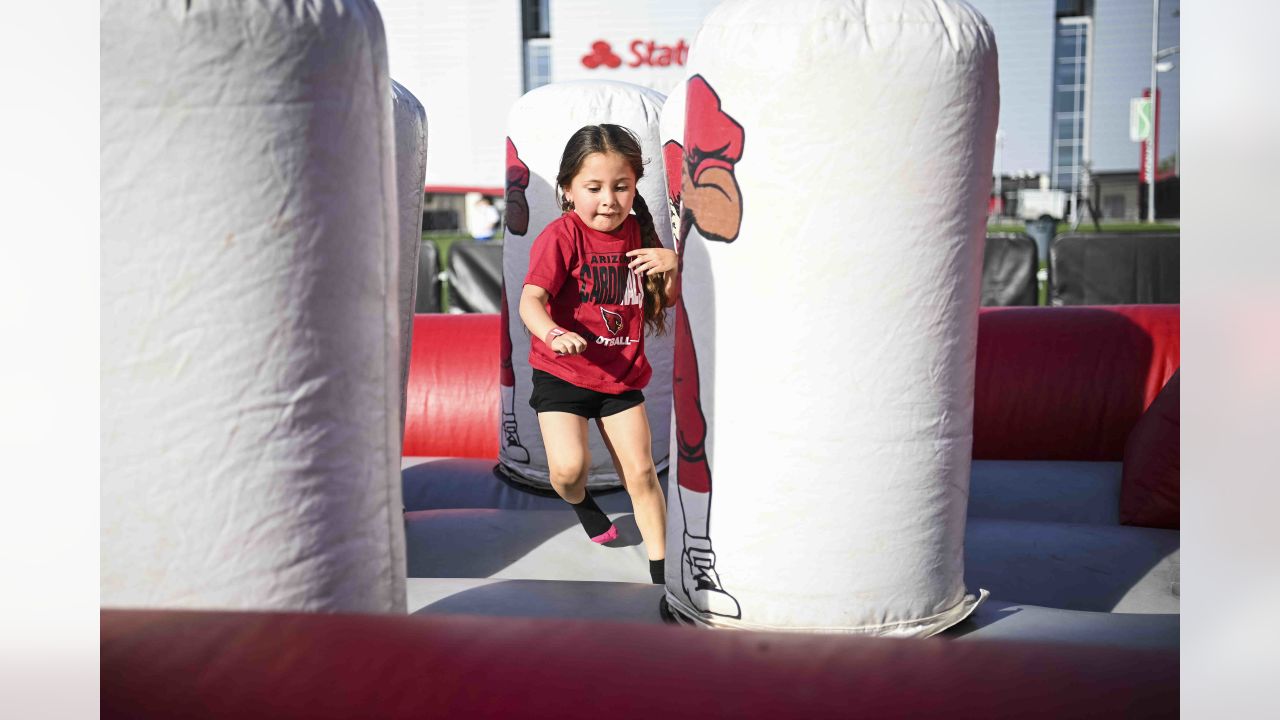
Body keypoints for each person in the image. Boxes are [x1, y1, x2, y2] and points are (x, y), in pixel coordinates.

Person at [519, 124, 677, 585]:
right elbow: (531, 300)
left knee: (643, 471)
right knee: (569, 471)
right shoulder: (561, 236)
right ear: (568, 190)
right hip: (563, 372)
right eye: (593, 188)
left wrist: (672, 265)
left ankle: (662, 573)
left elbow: (663, 301)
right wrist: (552, 333)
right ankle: (580, 503)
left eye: (620, 187)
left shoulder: (638, 233)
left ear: (633, 187)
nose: (608, 199)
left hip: (620, 375)